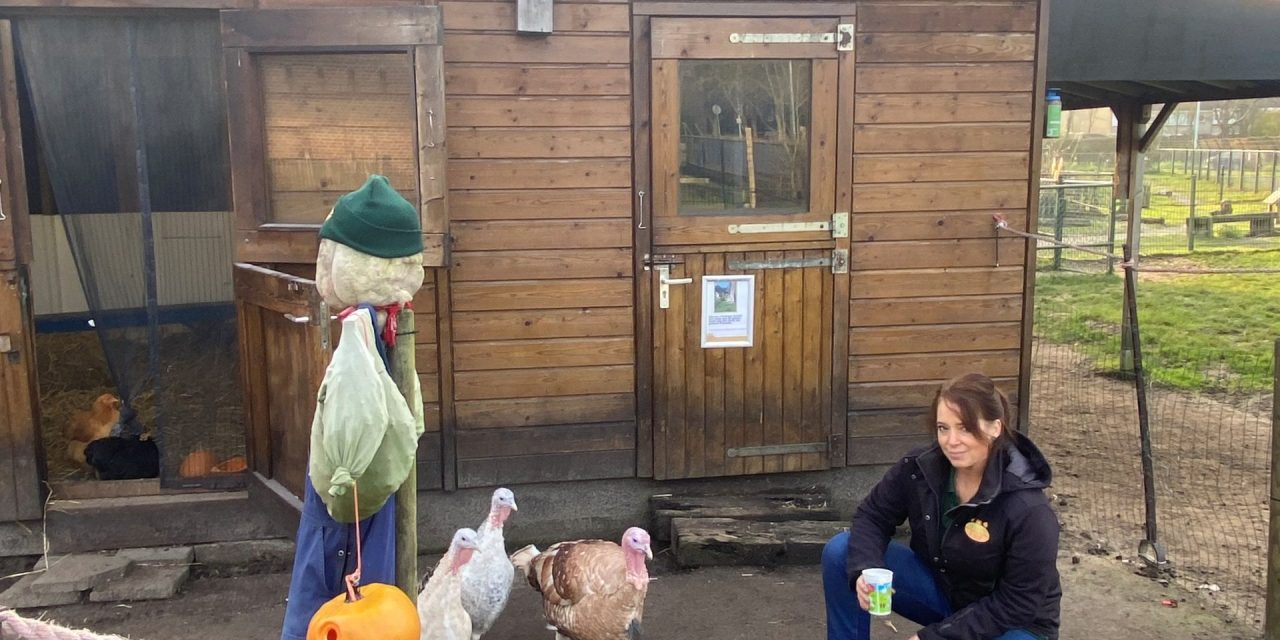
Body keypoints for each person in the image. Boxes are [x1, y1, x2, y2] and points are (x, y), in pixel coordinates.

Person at [822, 373, 1061, 640]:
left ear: (996, 427)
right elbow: (873, 516)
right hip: (946, 595)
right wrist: (863, 570)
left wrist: (936, 637)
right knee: (841, 551)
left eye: (965, 428)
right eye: (943, 428)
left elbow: (1018, 602)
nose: (951, 441)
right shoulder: (919, 468)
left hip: (1011, 623)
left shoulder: (1029, 508)